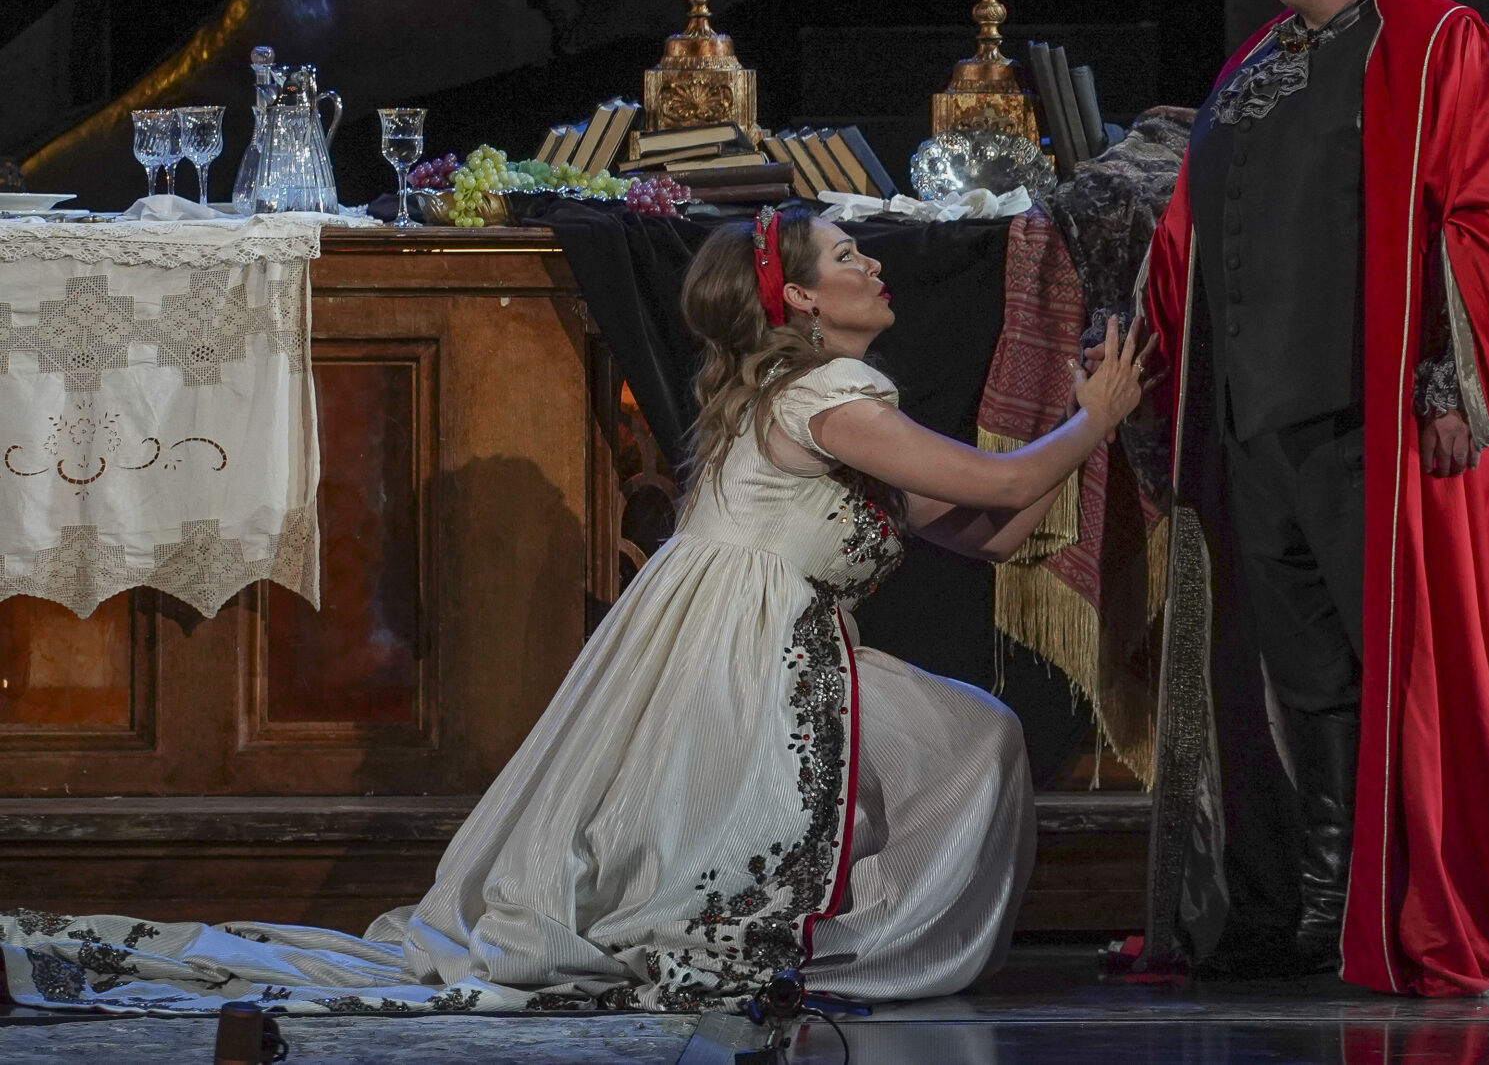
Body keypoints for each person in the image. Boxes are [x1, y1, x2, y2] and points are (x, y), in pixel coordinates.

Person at [1, 205, 1151, 1015]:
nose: (874, 266)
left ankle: (839, 940)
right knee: (967, 741)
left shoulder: (823, 398)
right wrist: (1091, 418)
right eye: (851, 255)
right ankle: (832, 945)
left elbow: (992, 529)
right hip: (746, 654)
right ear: (801, 297)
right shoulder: (825, 389)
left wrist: (1084, 428)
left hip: (757, 640)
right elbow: (1000, 481)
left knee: (970, 737)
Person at [1127, 0, 1489, 995]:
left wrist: (1454, 385)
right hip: (1258, 426)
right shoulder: (1253, 68)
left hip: (1372, 429)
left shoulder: (1450, 52)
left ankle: (1418, 905)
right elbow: (1194, 231)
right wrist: (1153, 377)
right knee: (1303, 683)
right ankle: (1323, 901)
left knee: (1408, 679)